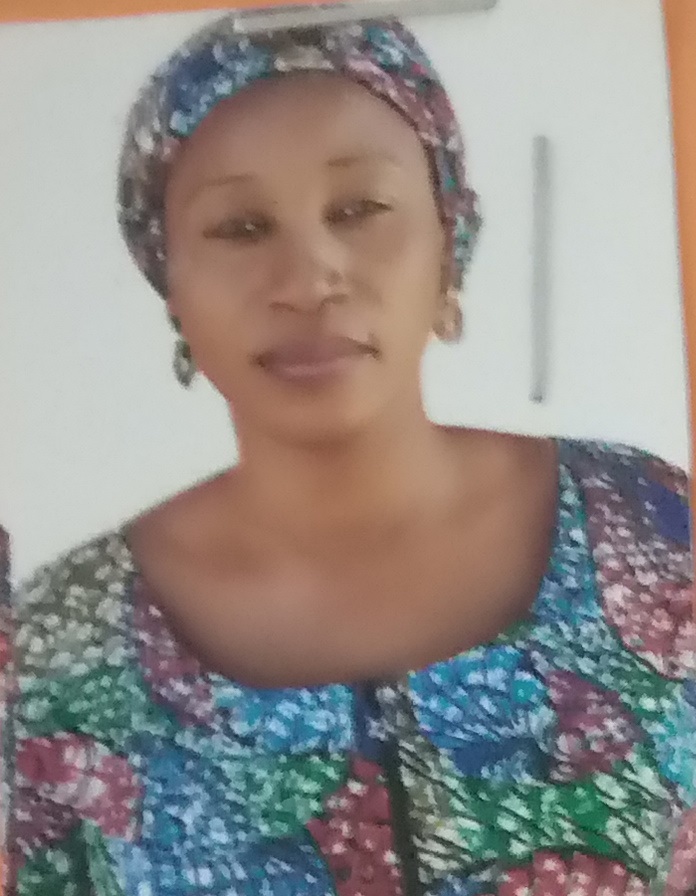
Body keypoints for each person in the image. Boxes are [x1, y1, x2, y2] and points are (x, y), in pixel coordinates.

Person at [2, 14, 694, 896]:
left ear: (451, 239)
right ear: (170, 283)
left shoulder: (653, 526)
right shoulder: (59, 651)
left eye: (359, 209)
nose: (307, 278)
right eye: (240, 227)